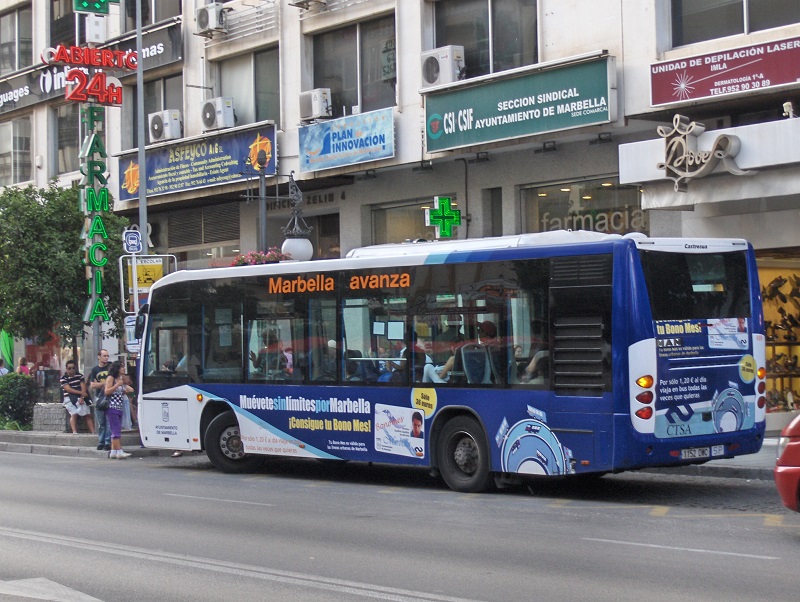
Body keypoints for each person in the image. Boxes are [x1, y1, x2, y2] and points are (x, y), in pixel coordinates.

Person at [104, 361, 135, 459]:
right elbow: (107, 391)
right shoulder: (111, 378)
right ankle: (119, 451)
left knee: (116, 429)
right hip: (112, 407)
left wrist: (124, 390)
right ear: (117, 368)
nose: (124, 369)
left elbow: (131, 391)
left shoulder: (120, 379)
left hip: (119, 406)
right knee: (115, 430)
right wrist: (117, 385)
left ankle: (113, 451)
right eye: (122, 367)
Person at [60, 360, 95, 435]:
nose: (72, 370)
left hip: (80, 397)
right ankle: (74, 431)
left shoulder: (80, 376)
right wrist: (81, 393)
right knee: (74, 413)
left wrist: (82, 397)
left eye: (73, 368)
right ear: (66, 369)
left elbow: (83, 387)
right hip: (69, 397)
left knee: (87, 414)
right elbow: (68, 389)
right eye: (69, 368)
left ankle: (93, 432)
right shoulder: (64, 378)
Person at [87, 349, 112, 451]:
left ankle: (107, 442)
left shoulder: (110, 367)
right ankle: (101, 441)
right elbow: (92, 385)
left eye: (107, 356)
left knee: (108, 421)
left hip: (110, 396)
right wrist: (104, 383)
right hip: (99, 397)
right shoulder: (95, 370)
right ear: (99, 357)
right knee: (101, 422)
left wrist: (100, 384)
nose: (106, 358)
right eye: (104, 356)